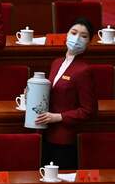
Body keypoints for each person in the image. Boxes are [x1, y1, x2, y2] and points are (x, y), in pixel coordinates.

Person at [37, 17, 97, 170]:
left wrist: (58, 117)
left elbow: (88, 110)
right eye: (74, 32)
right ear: (67, 35)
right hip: (45, 132)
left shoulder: (84, 70)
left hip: (63, 138)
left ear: (89, 42)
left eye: (83, 36)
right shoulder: (57, 63)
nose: (77, 38)